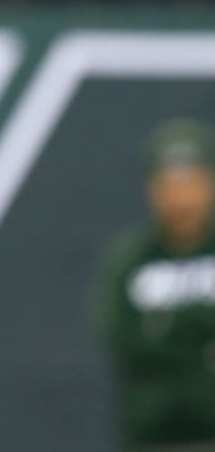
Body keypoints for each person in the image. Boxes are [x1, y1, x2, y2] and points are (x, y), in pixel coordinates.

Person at [96, 119, 215, 452]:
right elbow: (122, 341)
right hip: (150, 437)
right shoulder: (130, 259)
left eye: (192, 182)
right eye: (170, 184)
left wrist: (166, 326)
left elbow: (154, 340)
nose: (181, 197)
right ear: (152, 188)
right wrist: (202, 345)